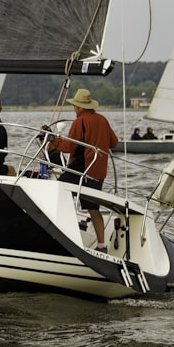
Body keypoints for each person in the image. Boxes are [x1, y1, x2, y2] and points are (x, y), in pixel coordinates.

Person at [48, 88, 119, 253]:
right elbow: (114, 143)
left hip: (82, 170)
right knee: (93, 209)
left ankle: (63, 234)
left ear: (78, 107)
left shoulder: (80, 121)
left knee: (57, 194)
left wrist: (53, 139)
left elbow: (69, 147)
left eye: (74, 106)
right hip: (98, 171)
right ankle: (102, 245)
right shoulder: (102, 120)